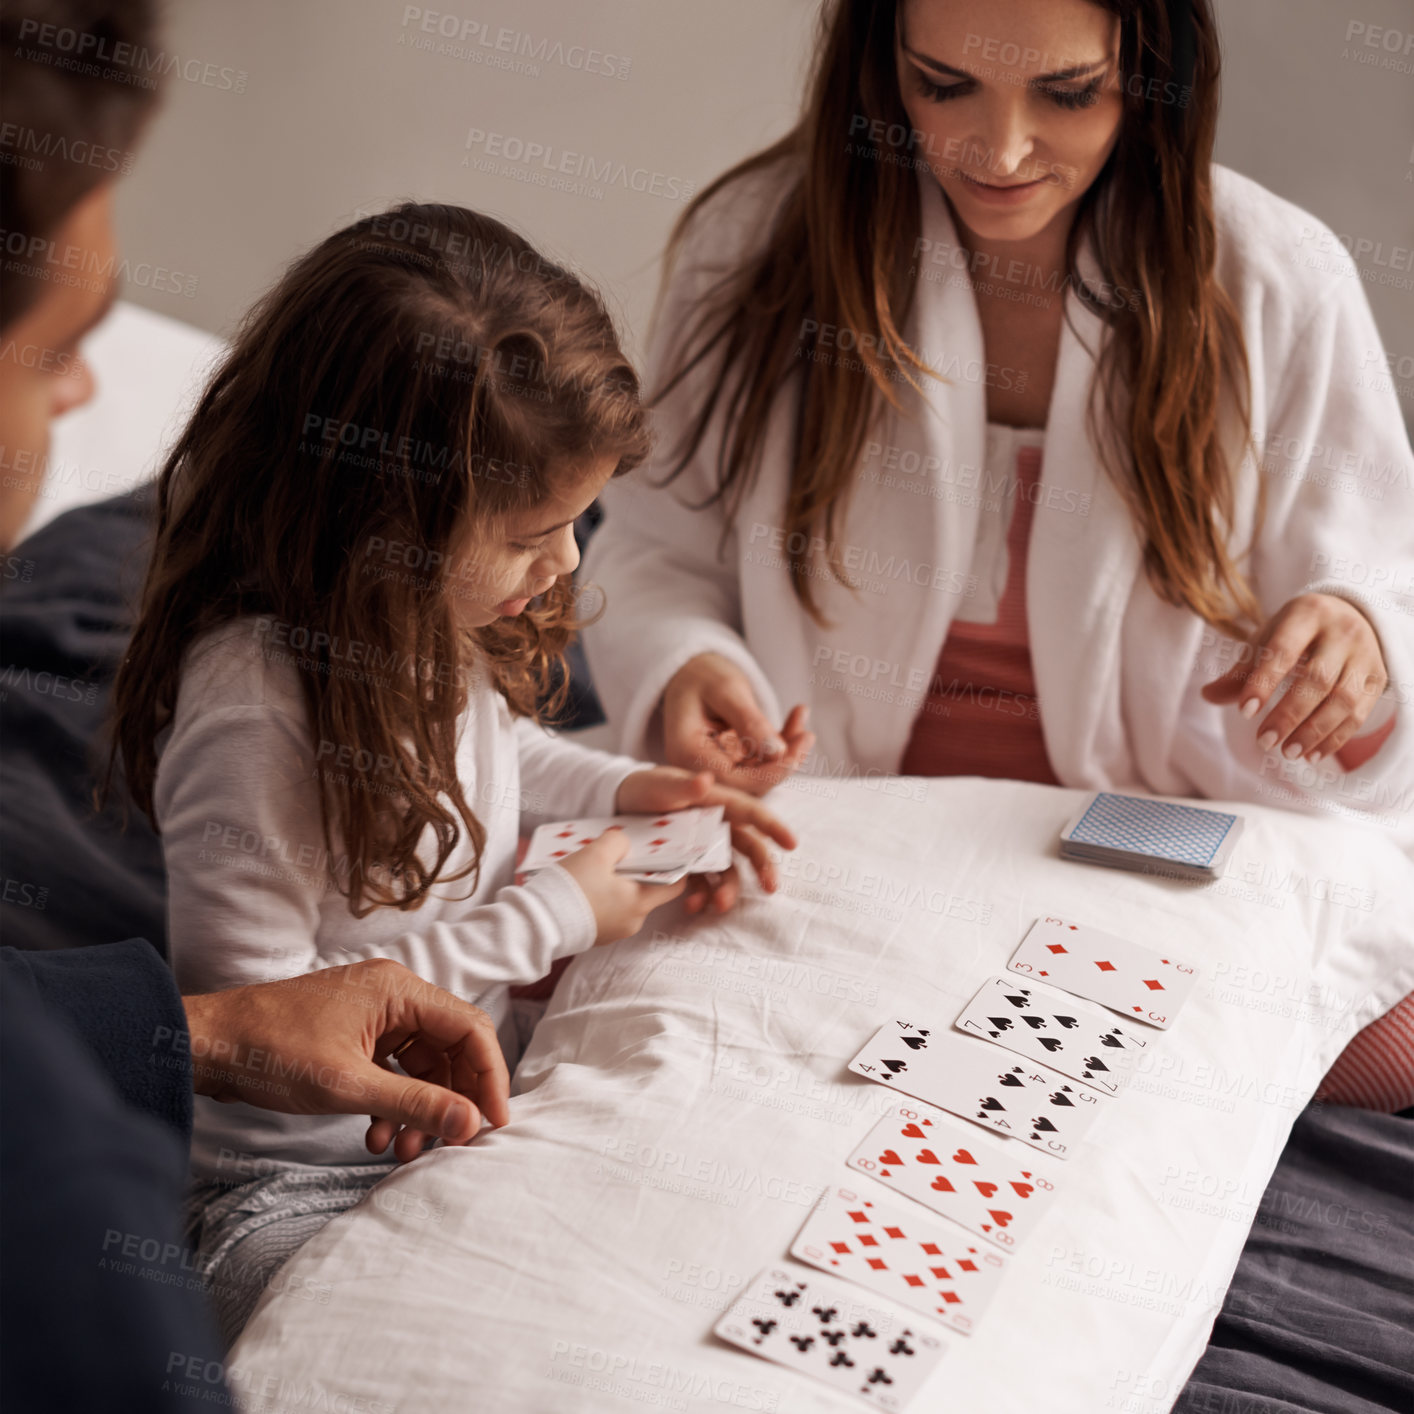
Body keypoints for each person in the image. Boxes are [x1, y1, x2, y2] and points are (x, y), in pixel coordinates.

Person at [580, 0, 1414, 1106]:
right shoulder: (760, 245)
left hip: (1139, 843)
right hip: (831, 821)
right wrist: (689, 668)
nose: (1000, 151)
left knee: (1387, 1041)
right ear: (881, 66)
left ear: (1149, 74)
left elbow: (1380, 589)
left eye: (1067, 95)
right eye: (943, 85)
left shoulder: (1279, 280)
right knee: (534, 919)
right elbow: (649, 547)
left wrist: (1359, 636)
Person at [102, 200, 796, 1339]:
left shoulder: (417, 610)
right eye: (530, 533)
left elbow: (487, 749)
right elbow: (274, 1025)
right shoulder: (255, 717)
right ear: (377, 516)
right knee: (437, 1333)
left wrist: (626, 787)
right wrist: (554, 913)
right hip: (272, 1189)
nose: (564, 561)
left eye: (578, 522)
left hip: (458, 1119)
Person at [3, 3, 515, 1405]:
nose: (85, 390)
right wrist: (577, 905)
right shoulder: (58, 1202)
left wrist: (198, 1027)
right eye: (52, 353)